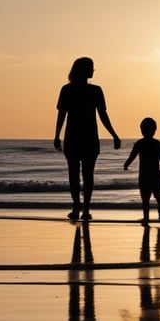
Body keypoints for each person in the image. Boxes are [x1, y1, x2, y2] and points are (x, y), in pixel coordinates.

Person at [55, 57, 121, 221]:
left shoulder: (93, 90)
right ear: (83, 70)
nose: (93, 70)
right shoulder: (70, 90)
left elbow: (103, 116)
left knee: (79, 175)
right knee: (83, 175)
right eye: (91, 67)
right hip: (82, 137)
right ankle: (80, 208)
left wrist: (114, 134)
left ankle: (81, 208)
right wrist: (56, 135)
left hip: (81, 137)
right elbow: (62, 114)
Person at [123, 117, 160, 222]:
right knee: (158, 197)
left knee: (145, 199)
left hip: (144, 176)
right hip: (155, 176)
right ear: (154, 130)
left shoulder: (139, 143)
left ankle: (146, 217)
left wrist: (126, 165)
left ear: (141, 130)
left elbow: (132, 157)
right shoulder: (157, 144)